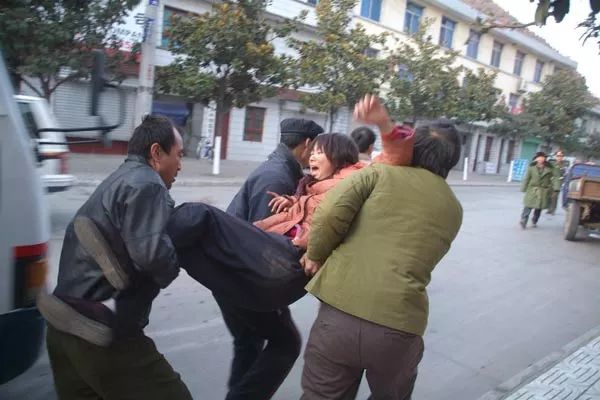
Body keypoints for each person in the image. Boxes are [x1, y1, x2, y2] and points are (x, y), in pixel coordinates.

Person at [299, 95, 463, 400]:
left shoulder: (379, 172)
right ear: (451, 161)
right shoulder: (454, 209)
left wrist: (315, 254)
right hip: (400, 327)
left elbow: (330, 213)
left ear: (413, 147)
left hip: (339, 314)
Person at [37, 115, 192, 400]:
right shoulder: (148, 184)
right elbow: (151, 256)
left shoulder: (119, 178)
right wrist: (179, 249)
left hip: (61, 324)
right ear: (156, 153)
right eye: (179, 155)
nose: (180, 165)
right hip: (97, 330)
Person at [215, 118, 323, 400]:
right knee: (285, 343)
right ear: (307, 144)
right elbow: (265, 244)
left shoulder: (281, 169)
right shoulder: (277, 177)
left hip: (231, 273)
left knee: (249, 344)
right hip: (241, 278)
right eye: (317, 148)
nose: (317, 155)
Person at [520, 151, 558, 229]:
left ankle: (534, 220)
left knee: (538, 207)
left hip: (543, 191)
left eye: (542, 157)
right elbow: (527, 178)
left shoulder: (550, 168)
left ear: (545, 159)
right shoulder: (531, 168)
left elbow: (555, 178)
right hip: (532, 189)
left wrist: (556, 187)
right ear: (536, 159)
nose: (541, 159)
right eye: (539, 157)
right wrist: (523, 188)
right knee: (528, 205)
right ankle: (524, 220)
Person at [547, 150, 568, 215]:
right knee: (549, 196)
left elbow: (566, 174)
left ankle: (553, 210)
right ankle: (549, 209)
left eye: (561, 156)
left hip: (558, 182)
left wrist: (563, 180)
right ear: (555, 156)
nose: (559, 157)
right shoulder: (552, 164)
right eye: (558, 156)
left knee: (554, 196)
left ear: (563, 157)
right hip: (551, 182)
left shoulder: (564, 165)